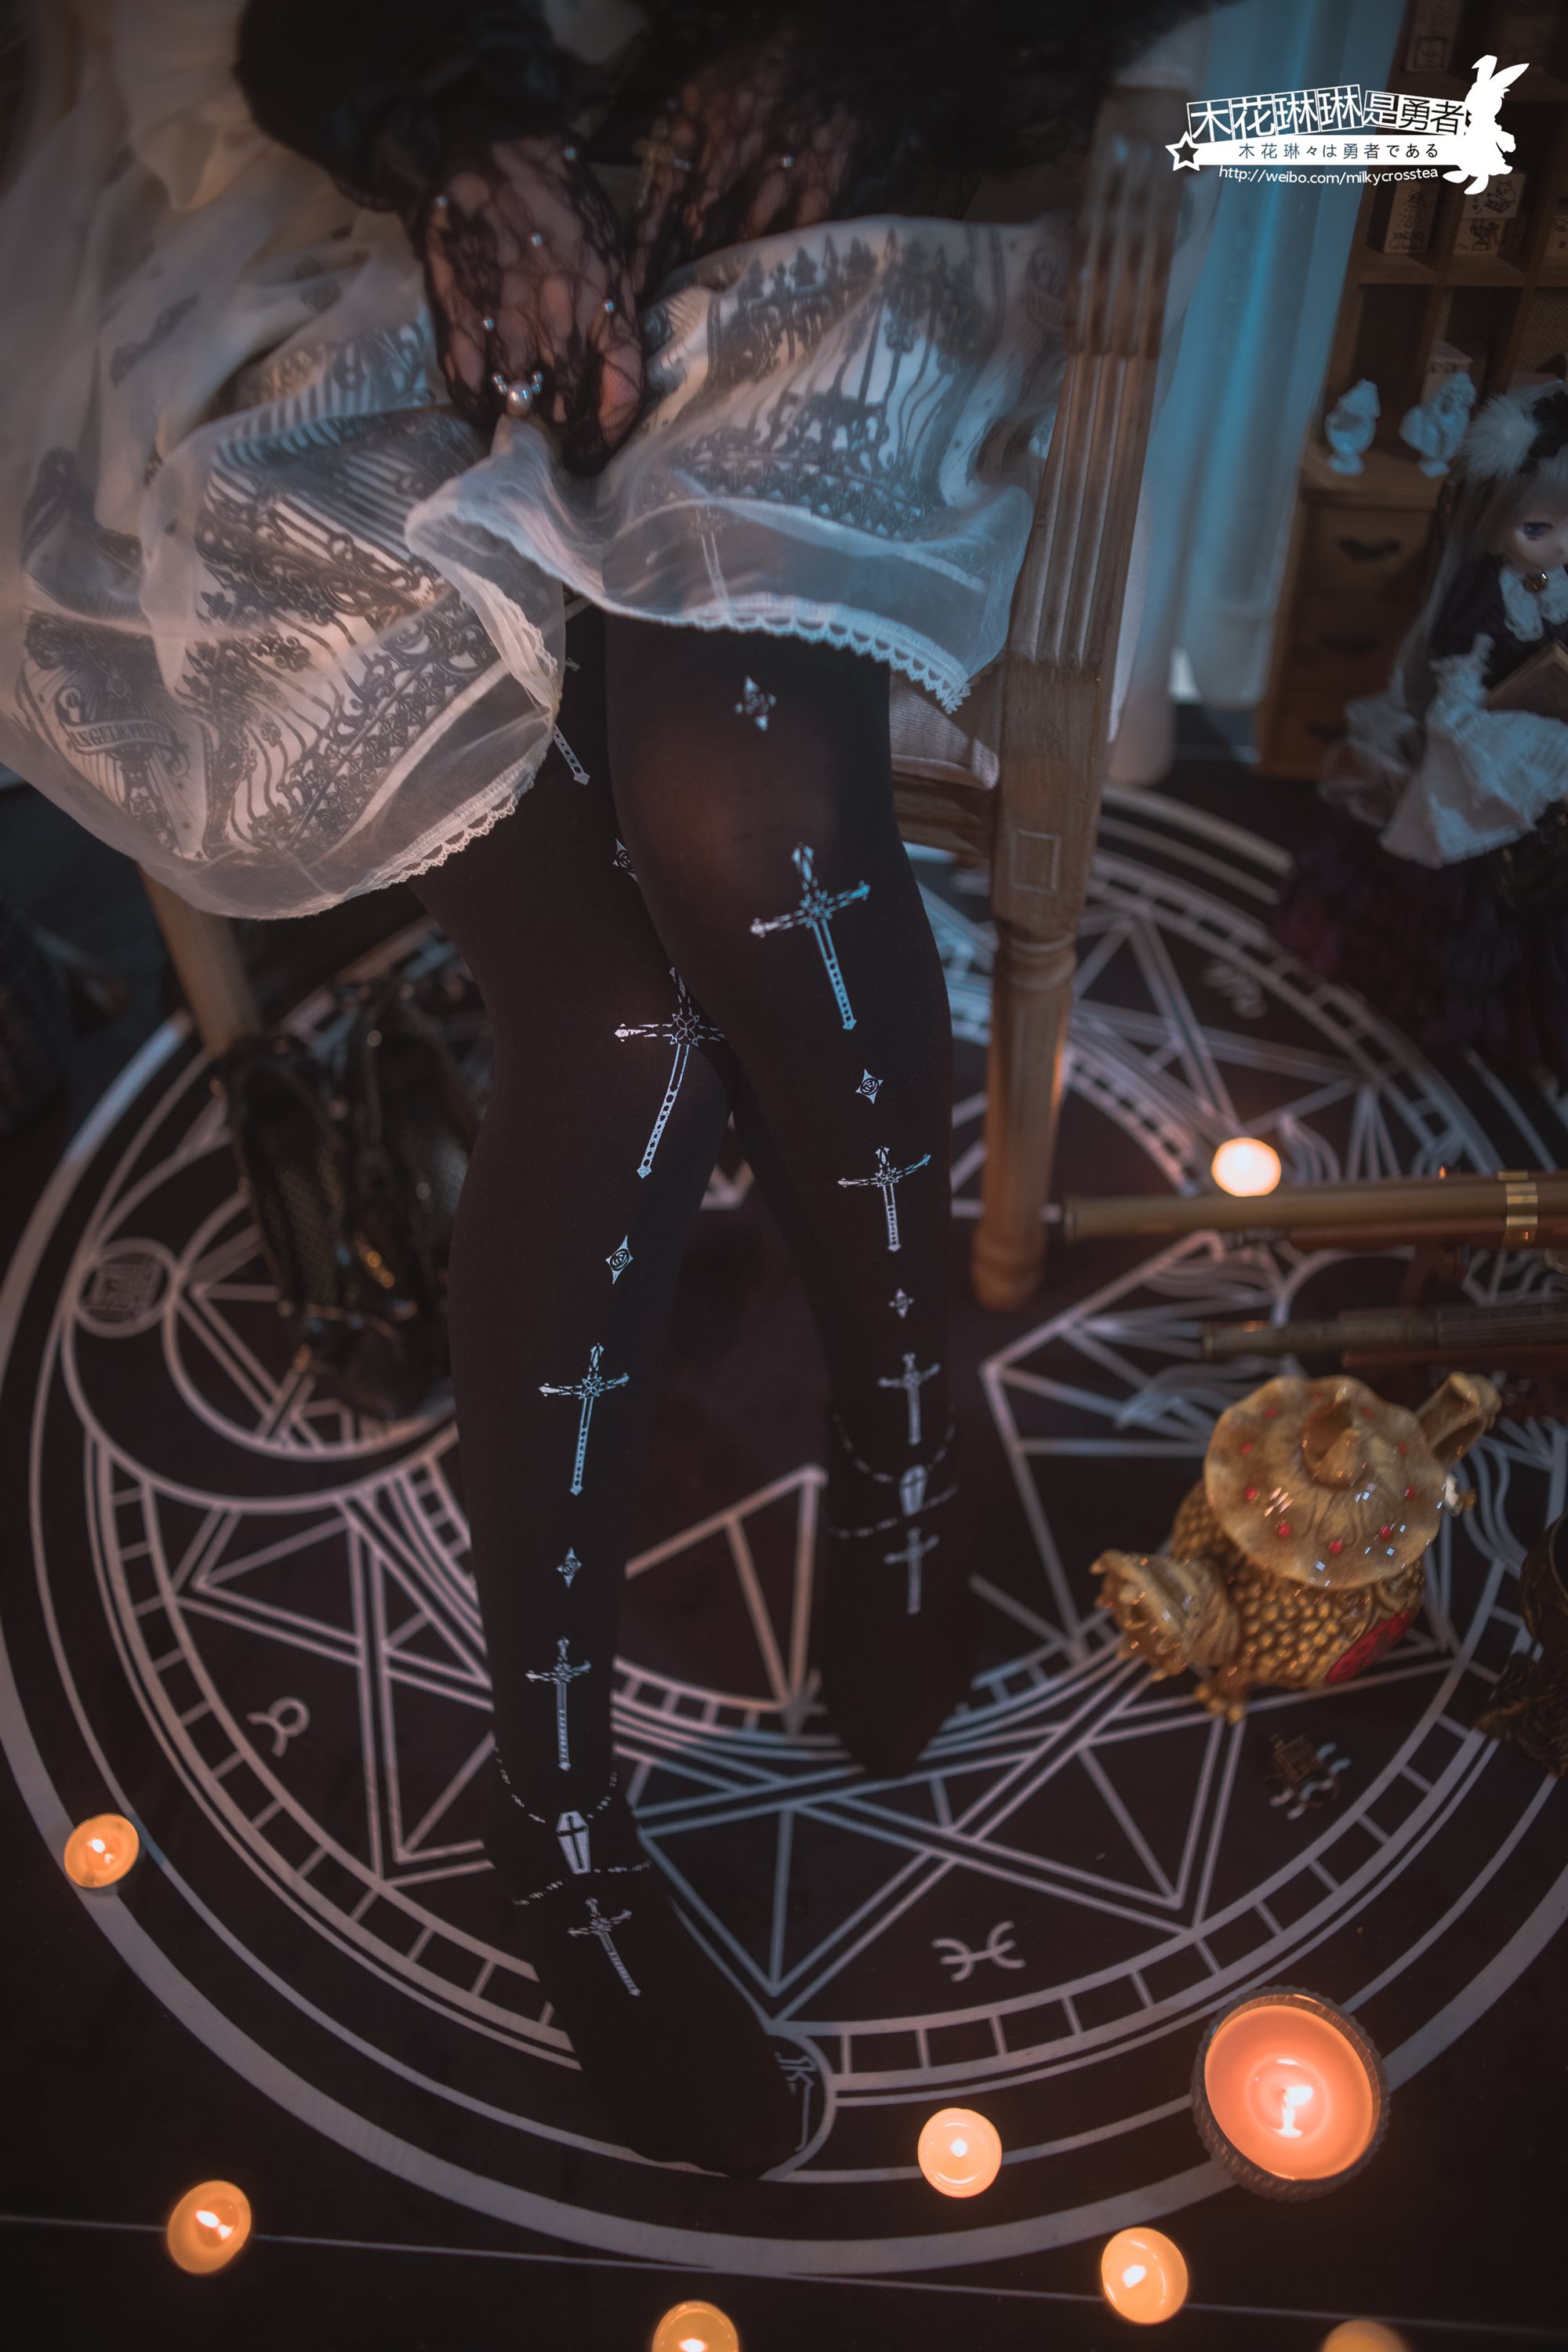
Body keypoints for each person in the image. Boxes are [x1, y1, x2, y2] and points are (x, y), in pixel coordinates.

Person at [0, 0, 1216, 2176]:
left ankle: (902, 1449)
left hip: (817, 154)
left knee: (742, 817)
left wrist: (872, 62)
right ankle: (552, 1814)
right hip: (369, 202)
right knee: (635, 1029)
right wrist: (456, 126)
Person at [1276, 379, 1568, 1083]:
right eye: (1537, 530)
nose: (1560, 546)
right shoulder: (1482, 599)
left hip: (1541, 750)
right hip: (1481, 755)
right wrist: (1529, 747)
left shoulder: (1557, 580)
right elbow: (1454, 710)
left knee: (1534, 891)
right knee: (1462, 891)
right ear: (1494, 519)